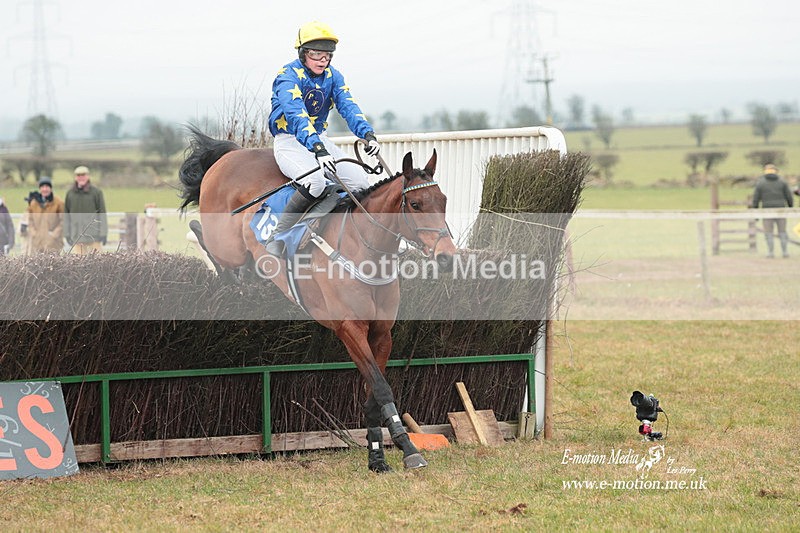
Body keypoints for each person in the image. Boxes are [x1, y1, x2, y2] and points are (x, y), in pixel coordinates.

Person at [265, 20, 381, 256]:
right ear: (303, 53)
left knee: (359, 182)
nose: (322, 60)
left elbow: (348, 106)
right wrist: (317, 148)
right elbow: (296, 117)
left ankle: (342, 236)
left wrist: (367, 135)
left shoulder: (333, 76)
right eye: (316, 54)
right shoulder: (286, 77)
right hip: (290, 141)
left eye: (327, 55)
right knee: (315, 182)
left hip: (319, 140)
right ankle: (279, 235)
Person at [751, 163, 794, 258]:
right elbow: (789, 197)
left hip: (767, 211)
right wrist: (791, 208)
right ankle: (785, 252)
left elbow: (756, 199)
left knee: (768, 232)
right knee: (782, 232)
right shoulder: (782, 182)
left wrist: (756, 213)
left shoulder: (760, 183)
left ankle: (770, 252)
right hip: (781, 211)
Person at [65, 165, 108, 254]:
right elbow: (66, 216)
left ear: (88, 176)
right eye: (79, 175)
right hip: (77, 236)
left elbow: (102, 214)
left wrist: (103, 233)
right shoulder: (70, 194)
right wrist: (67, 234)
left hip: (93, 236)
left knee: (98, 263)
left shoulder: (96, 193)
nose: (81, 178)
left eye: (83, 175)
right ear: (75, 177)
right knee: (79, 264)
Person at [26, 176, 65, 253]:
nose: (45, 189)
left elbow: (63, 221)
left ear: (50, 188)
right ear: (40, 189)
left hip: (54, 244)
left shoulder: (58, 203)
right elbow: (30, 220)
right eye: (42, 187)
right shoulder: (34, 203)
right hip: (37, 244)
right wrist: (34, 234)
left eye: (47, 186)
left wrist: (54, 235)